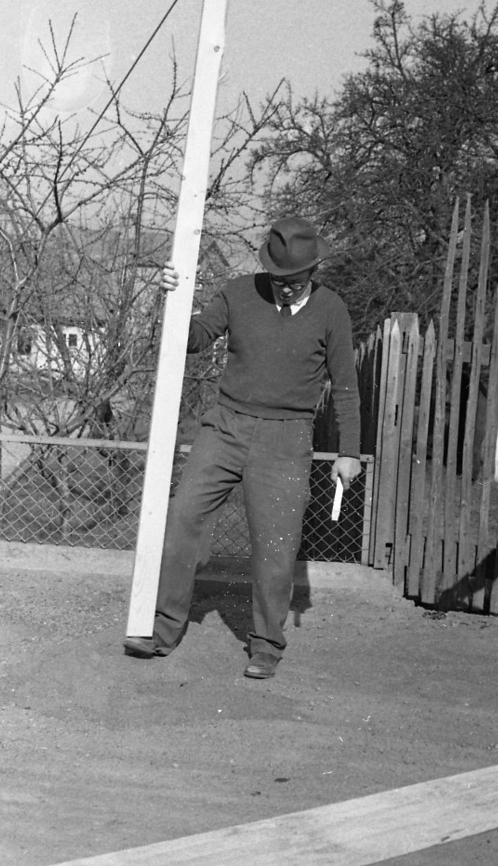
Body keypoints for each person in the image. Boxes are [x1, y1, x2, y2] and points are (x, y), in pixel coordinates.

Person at [124, 216, 362, 680]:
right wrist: (169, 300)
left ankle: (266, 645)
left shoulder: (332, 310)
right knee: (183, 518)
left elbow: (347, 387)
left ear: (312, 271)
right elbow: (191, 340)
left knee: (275, 546)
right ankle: (162, 627)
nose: (285, 288)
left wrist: (348, 451)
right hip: (225, 426)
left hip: (287, 436)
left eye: (294, 281)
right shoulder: (238, 292)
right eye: (277, 279)